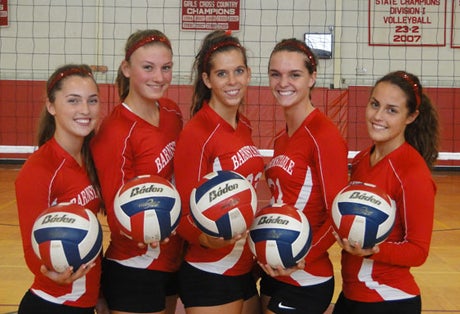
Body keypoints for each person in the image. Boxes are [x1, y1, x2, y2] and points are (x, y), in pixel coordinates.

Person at [90, 29, 183, 314]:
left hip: (173, 260)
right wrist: (156, 225)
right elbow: (117, 214)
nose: (159, 77)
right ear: (127, 68)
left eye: (165, 68)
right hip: (136, 266)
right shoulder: (115, 131)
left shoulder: (171, 112)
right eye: (148, 67)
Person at [332, 71, 439, 314]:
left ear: (411, 117)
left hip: (389, 300)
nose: (378, 116)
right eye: (375, 104)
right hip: (352, 295)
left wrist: (374, 249)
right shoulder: (361, 160)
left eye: (392, 110)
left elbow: (418, 251)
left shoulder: (412, 172)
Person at [173, 30, 265, 314]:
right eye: (222, 74)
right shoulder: (197, 133)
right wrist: (206, 239)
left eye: (238, 71)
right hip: (210, 270)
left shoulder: (244, 125)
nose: (233, 81)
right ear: (207, 80)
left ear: (248, 74)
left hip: (244, 268)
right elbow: (182, 214)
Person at [257, 38, 349, 314]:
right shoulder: (281, 138)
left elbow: (339, 215)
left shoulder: (324, 135)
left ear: (312, 78)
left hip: (306, 276)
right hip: (275, 271)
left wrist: (301, 256)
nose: (283, 83)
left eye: (294, 75)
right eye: (276, 74)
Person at [15, 64, 107, 314]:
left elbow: (90, 236)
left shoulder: (92, 157)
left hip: (85, 303)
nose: (85, 110)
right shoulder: (39, 168)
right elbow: (31, 251)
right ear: (51, 106)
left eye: (92, 100)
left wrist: (99, 293)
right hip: (52, 305)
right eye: (73, 101)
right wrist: (55, 273)